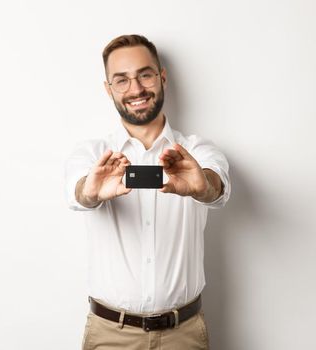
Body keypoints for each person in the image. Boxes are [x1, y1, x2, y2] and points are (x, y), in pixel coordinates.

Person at [64, 34, 231, 349]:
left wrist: (203, 185)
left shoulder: (197, 150)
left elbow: (216, 186)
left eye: (145, 74)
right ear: (108, 89)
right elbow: (77, 194)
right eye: (122, 80)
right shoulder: (91, 154)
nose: (136, 89)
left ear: (162, 77)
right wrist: (91, 192)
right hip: (110, 335)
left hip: (184, 335)